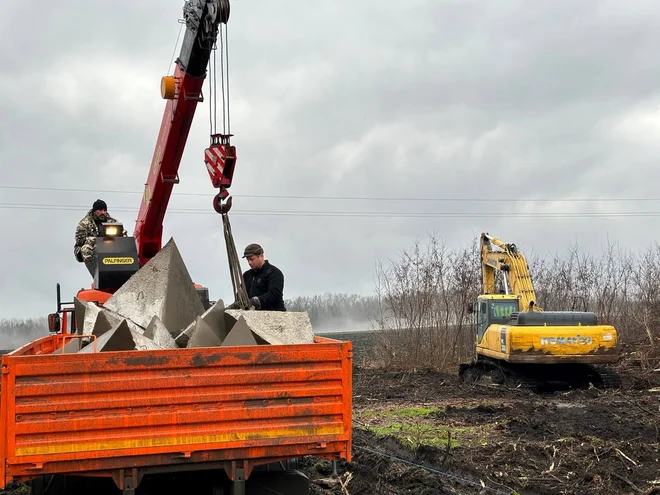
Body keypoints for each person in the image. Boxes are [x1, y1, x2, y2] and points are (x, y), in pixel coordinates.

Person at [73, 199, 122, 278]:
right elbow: (80, 241)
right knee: (86, 249)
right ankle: (97, 277)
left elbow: (122, 234)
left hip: (110, 246)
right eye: (100, 210)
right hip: (92, 248)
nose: (103, 212)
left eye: (104, 210)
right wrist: (97, 240)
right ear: (94, 211)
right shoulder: (84, 224)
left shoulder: (113, 222)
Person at [238, 243, 286, 311]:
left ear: (261, 256)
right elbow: (240, 296)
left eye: (252, 259)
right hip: (252, 316)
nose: (249, 263)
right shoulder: (246, 276)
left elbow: (274, 294)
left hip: (274, 315)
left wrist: (255, 301)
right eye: (247, 260)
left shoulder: (274, 273)